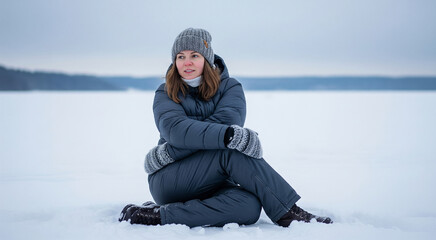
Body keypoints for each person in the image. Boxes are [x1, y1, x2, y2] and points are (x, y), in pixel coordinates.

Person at [119, 28, 332, 228]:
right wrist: (226, 136)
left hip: (214, 179)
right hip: (170, 179)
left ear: (207, 58)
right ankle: (287, 212)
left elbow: (225, 123)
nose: (187, 62)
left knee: (248, 207)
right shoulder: (165, 92)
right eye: (180, 56)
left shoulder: (231, 88)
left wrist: (171, 150)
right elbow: (176, 131)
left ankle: (160, 215)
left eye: (194, 55)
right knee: (232, 150)